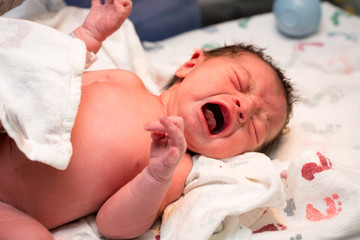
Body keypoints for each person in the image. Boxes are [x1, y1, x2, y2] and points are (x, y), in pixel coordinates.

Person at [0, 0, 295, 239]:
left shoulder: (176, 168)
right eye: (240, 82)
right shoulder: (125, 81)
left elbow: (113, 226)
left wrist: (155, 176)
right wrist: (90, 35)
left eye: (257, 126)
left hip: (9, 206)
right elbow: (52, 73)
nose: (245, 108)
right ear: (191, 64)